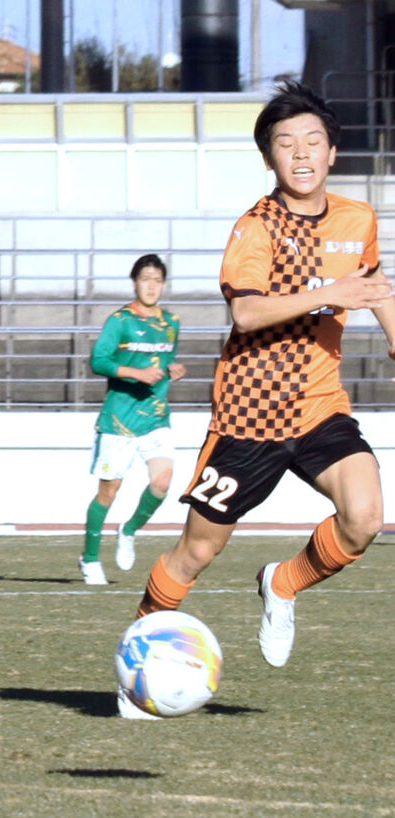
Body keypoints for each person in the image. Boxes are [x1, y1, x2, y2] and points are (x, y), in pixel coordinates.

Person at [120, 80, 395, 719]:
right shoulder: (257, 226)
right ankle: (134, 663)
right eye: (285, 144)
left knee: (365, 518)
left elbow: (374, 288)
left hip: (321, 406)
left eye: (312, 142)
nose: (301, 154)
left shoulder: (360, 220)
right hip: (250, 416)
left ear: (332, 152)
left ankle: (282, 582)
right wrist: (330, 295)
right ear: (269, 158)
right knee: (197, 551)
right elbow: (246, 313)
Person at [79, 254, 185, 585]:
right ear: (135, 282)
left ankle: (129, 530)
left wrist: (172, 371)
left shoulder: (172, 322)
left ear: (163, 284)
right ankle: (90, 558)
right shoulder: (120, 321)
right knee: (108, 493)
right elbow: (98, 361)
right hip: (119, 419)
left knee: (163, 482)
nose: (151, 286)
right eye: (145, 279)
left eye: (157, 280)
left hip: (155, 417)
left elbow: (163, 362)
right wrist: (135, 373)